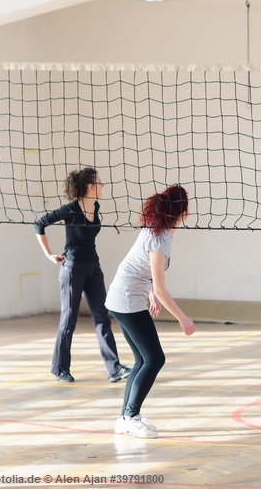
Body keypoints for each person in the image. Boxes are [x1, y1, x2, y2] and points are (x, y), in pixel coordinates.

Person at [107, 184, 196, 439]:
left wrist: (150, 293)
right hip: (126, 300)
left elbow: (139, 268)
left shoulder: (158, 232)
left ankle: (126, 416)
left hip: (124, 296)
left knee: (142, 359)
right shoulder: (158, 240)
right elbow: (161, 286)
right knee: (154, 358)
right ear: (182, 211)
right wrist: (183, 317)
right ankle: (130, 416)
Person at [34, 168, 130, 384]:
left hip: (93, 267)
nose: (103, 186)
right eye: (100, 182)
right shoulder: (71, 209)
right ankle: (59, 368)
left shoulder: (95, 206)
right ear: (90, 186)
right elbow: (39, 224)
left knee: (102, 317)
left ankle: (114, 368)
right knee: (69, 319)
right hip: (73, 268)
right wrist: (49, 254)